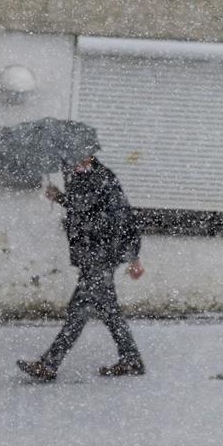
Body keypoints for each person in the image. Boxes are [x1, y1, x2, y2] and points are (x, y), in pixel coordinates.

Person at [17, 139, 146, 381]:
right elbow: (83, 207)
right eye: (72, 159)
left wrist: (133, 257)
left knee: (79, 310)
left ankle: (49, 365)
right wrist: (61, 197)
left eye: (81, 157)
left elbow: (121, 218)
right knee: (109, 311)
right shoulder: (80, 177)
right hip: (92, 256)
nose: (76, 163)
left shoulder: (102, 178)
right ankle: (131, 359)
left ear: (90, 156)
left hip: (102, 256)